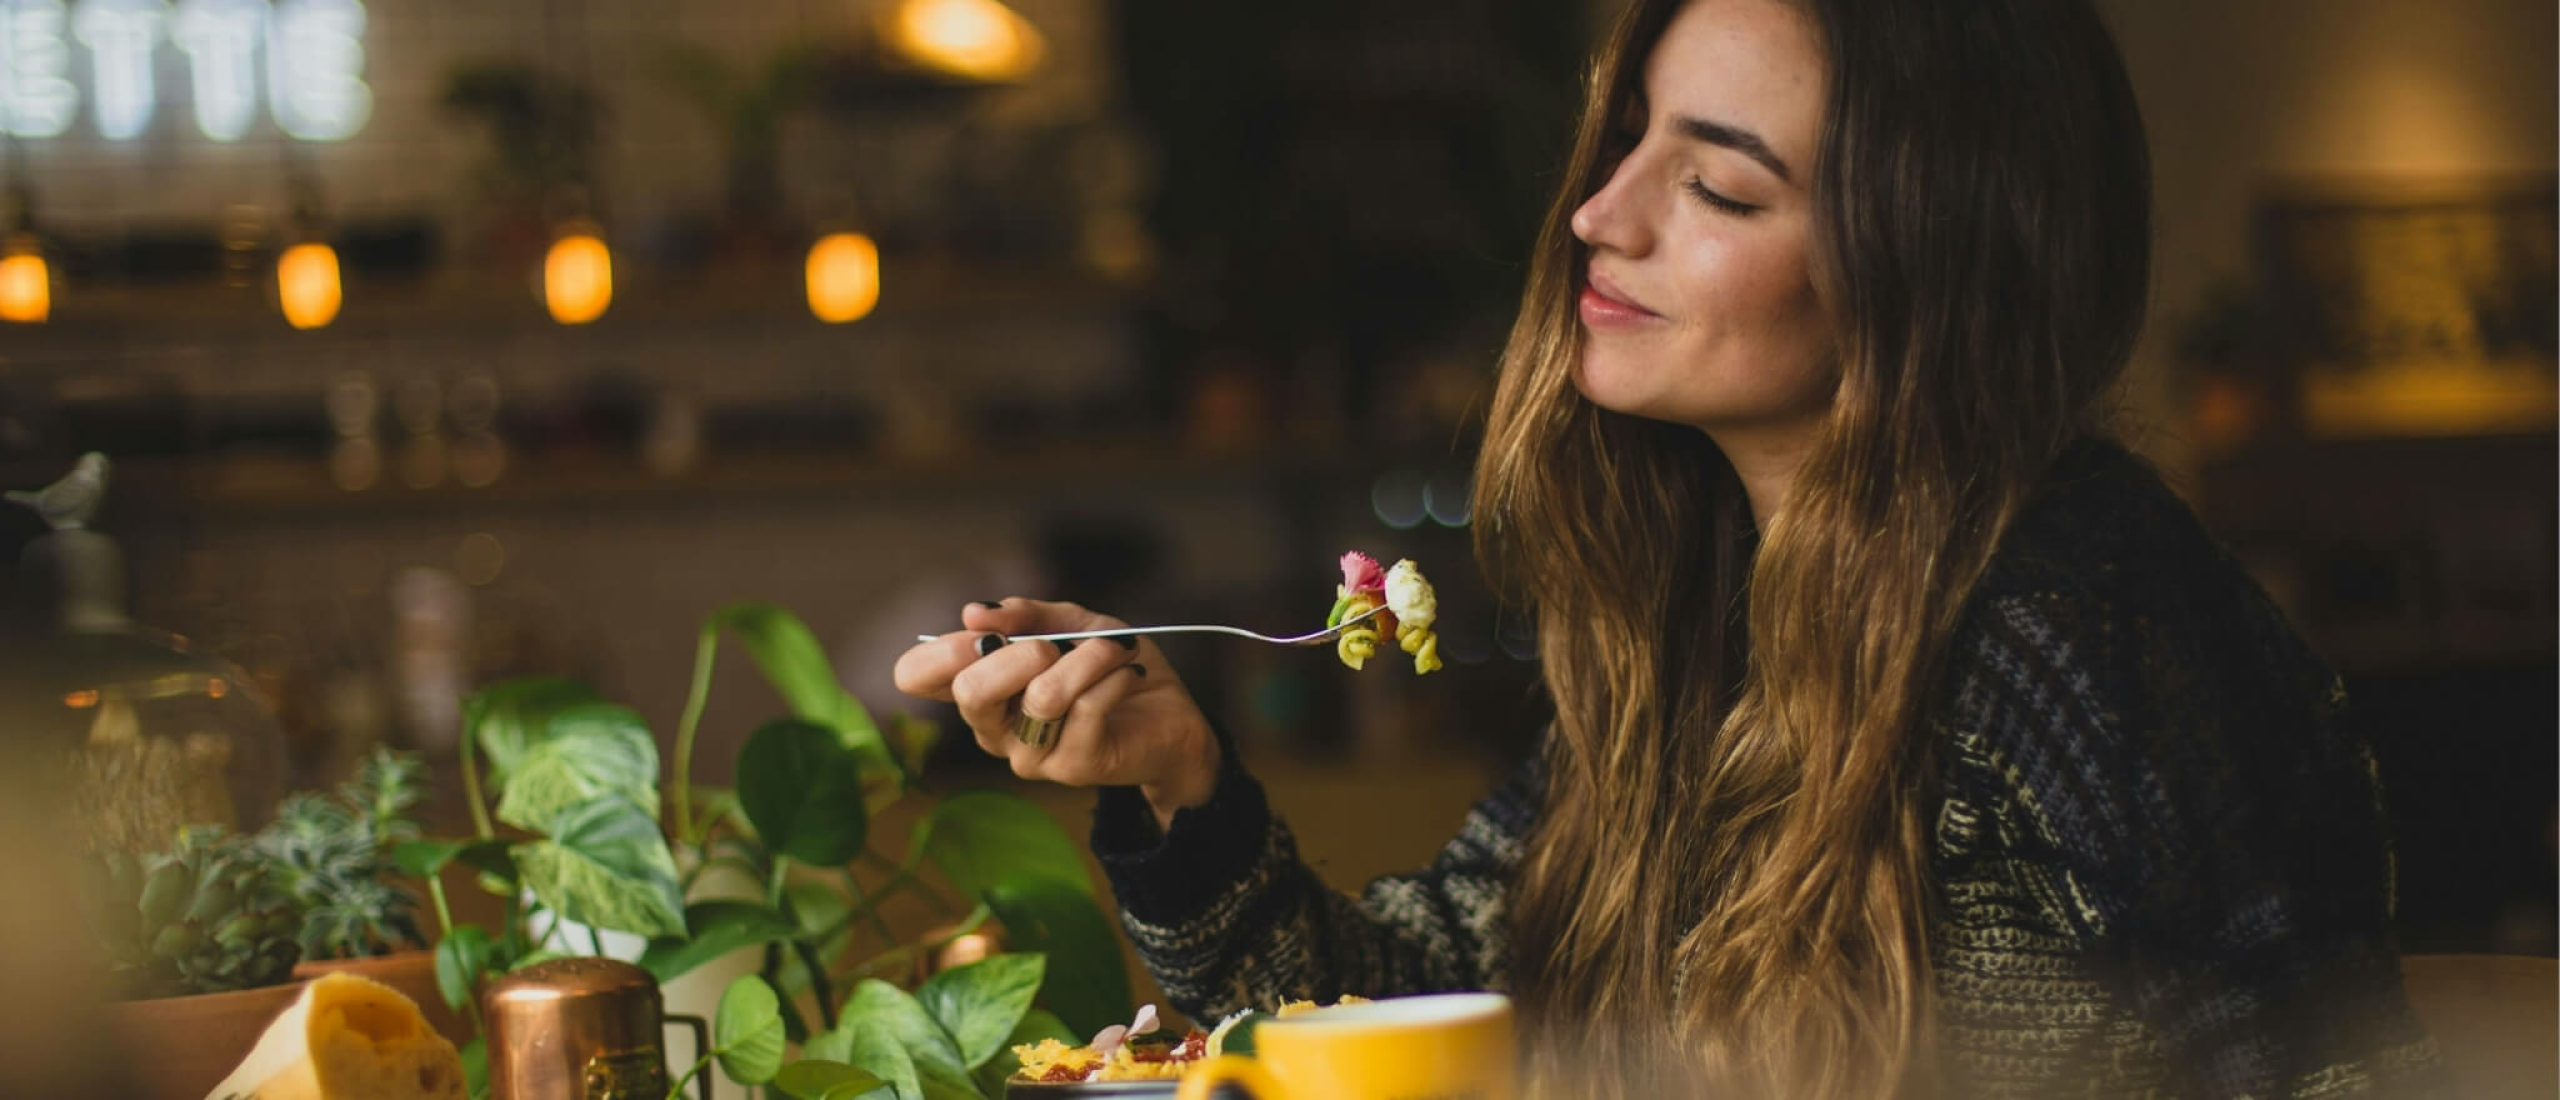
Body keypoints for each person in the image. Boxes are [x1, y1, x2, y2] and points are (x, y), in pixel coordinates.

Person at [894, 0, 2448, 1095]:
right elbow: (1404, 1010)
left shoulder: (2078, 627)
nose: (1598, 214)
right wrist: (1181, 783)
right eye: (1625, 137)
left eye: (1715, 182)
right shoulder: (1711, 626)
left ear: (1931, 264)